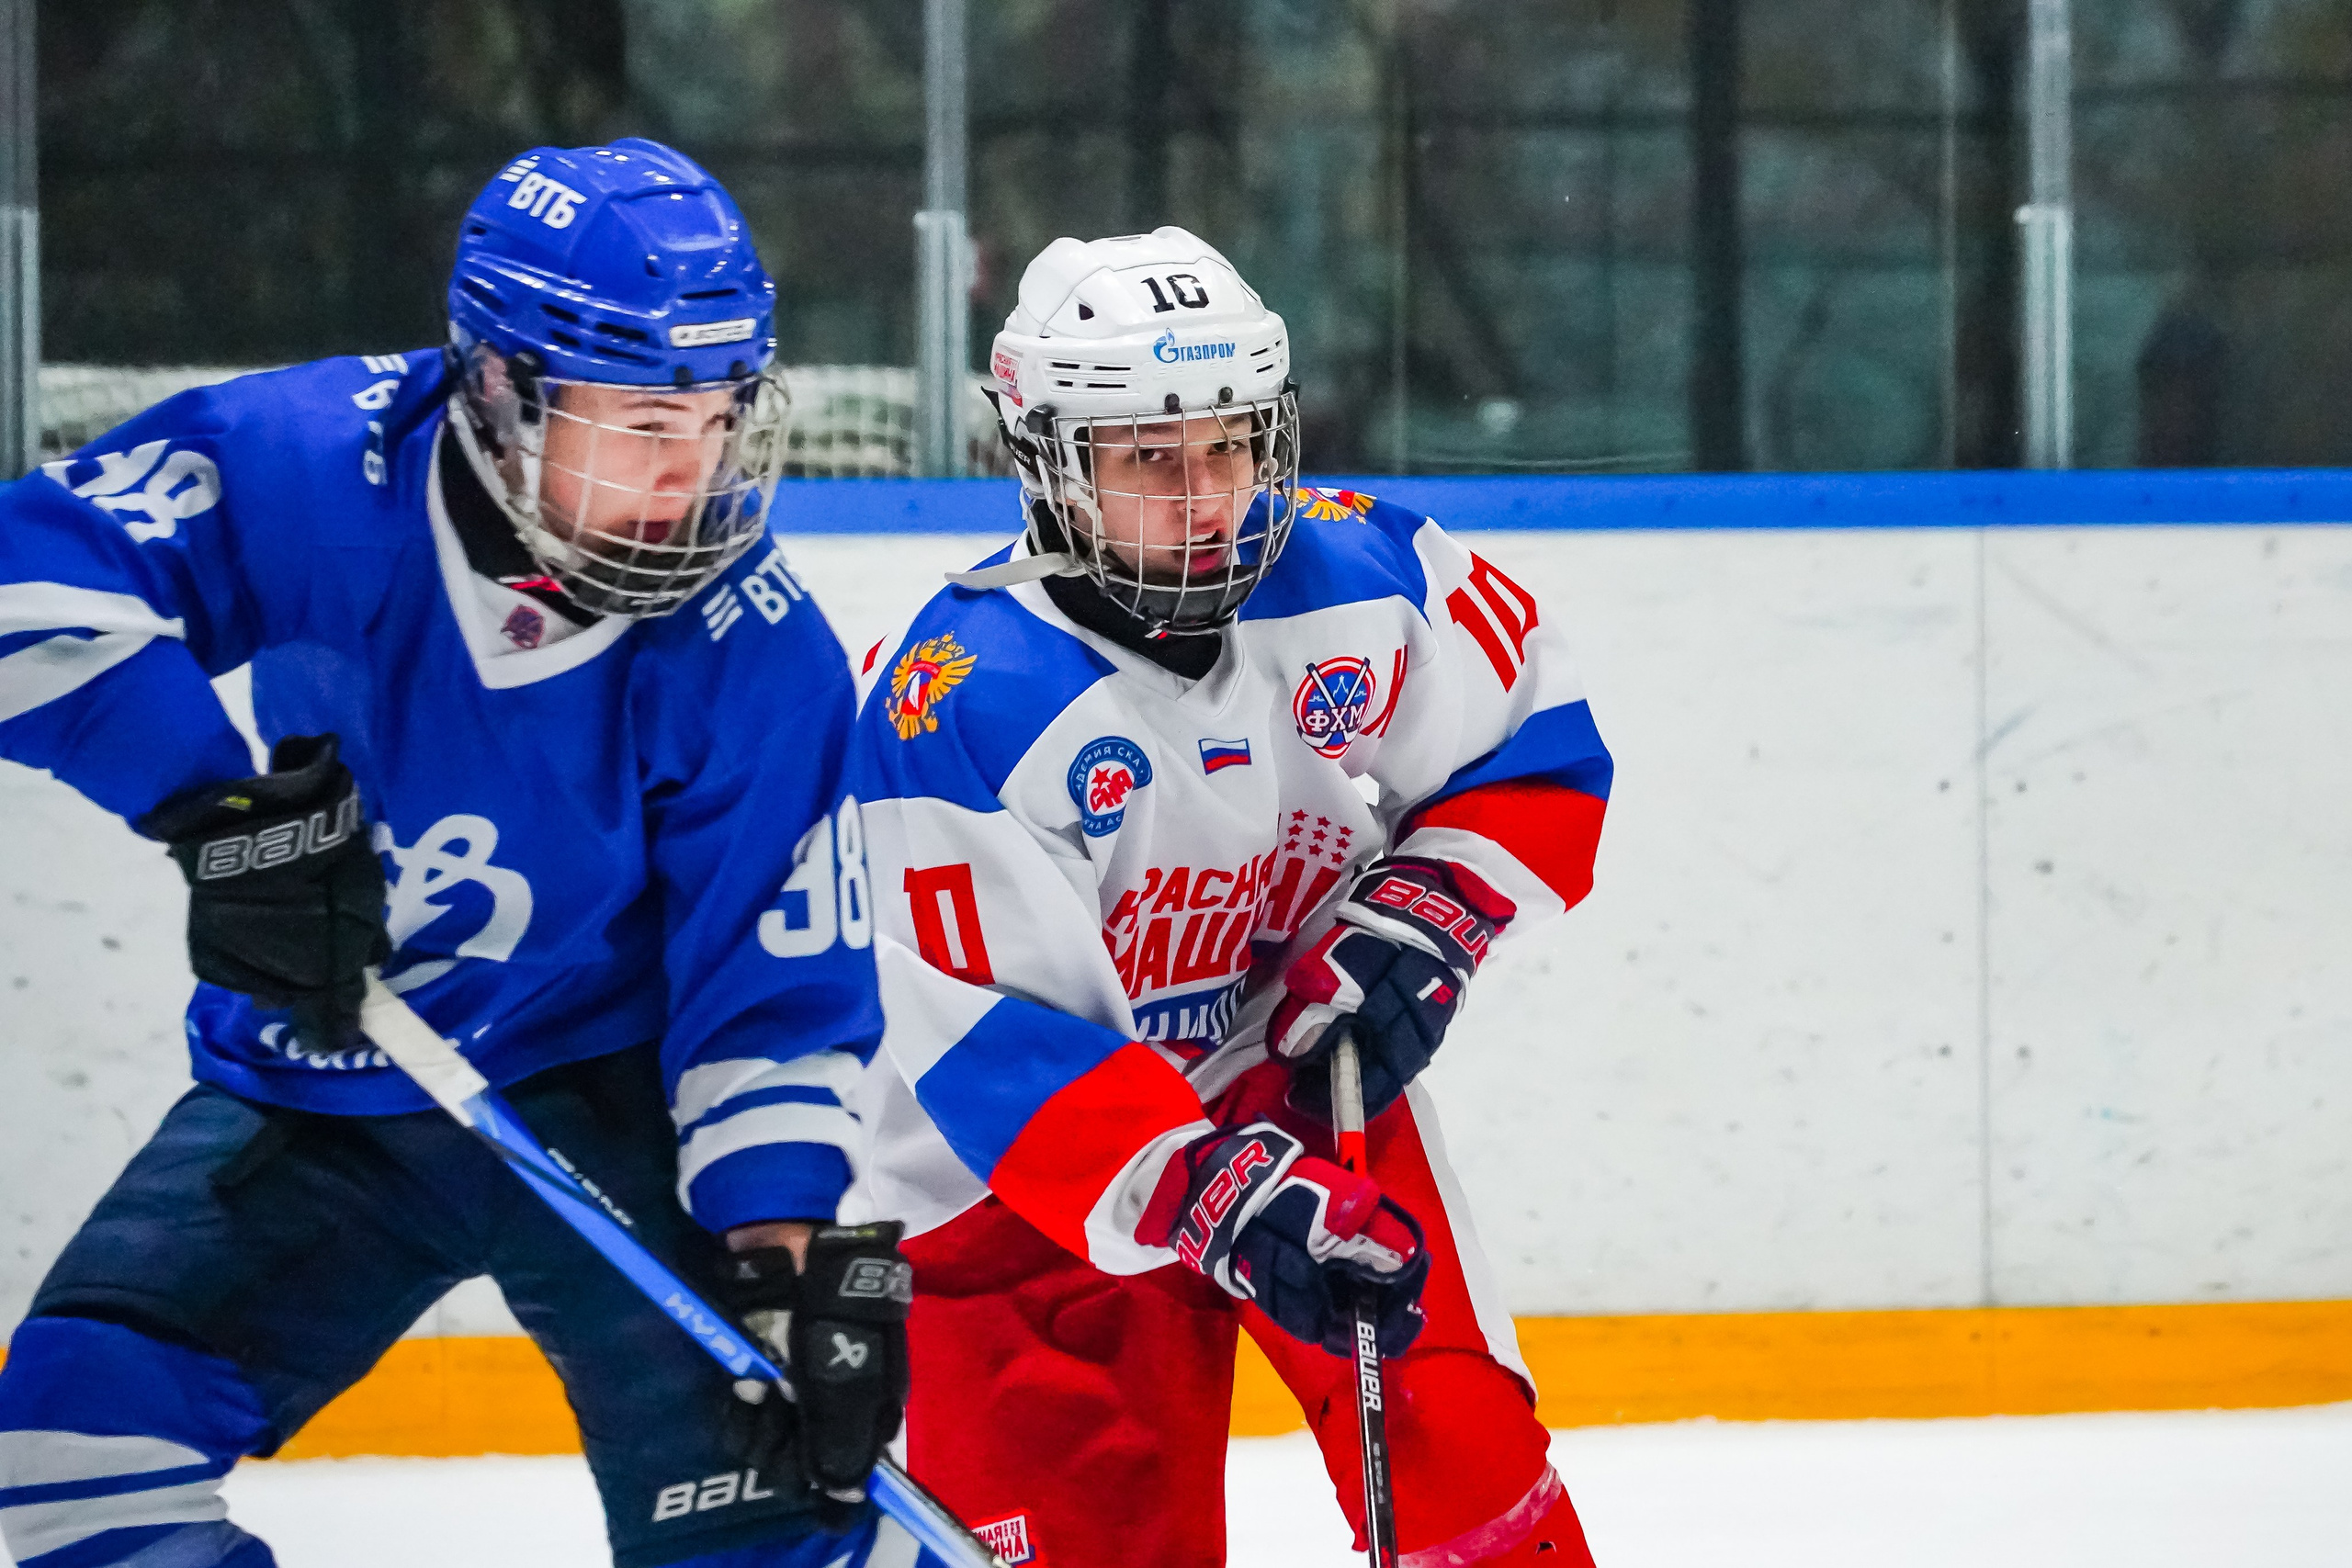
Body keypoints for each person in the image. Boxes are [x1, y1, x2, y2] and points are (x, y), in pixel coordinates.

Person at [0, 141, 931, 1568]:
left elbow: (775, 978)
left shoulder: (757, 644)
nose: (688, 478)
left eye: (715, 418)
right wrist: (209, 812)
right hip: (320, 1086)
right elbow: (29, 577)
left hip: (614, 1104)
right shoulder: (305, 470)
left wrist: (779, 1257)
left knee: (776, 1509)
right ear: (498, 389)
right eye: (636, 424)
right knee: (73, 1456)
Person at [842, 227, 1614, 1566]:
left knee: (1464, 1459)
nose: (1207, 497)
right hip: (1016, 1184)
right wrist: (1209, 1194)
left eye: (1231, 446)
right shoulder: (960, 701)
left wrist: (1428, 917)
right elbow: (999, 1054)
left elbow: (1535, 746)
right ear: (1047, 463)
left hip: (1292, 1068)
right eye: (1150, 459)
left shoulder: (1358, 571)